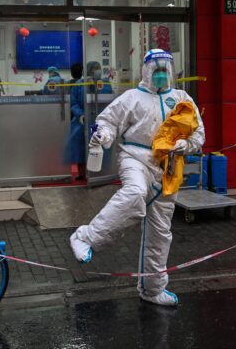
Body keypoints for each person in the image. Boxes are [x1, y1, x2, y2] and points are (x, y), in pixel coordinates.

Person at [69, 49, 205, 306]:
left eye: (166, 69)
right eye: (157, 69)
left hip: (168, 168)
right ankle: (85, 237)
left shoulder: (181, 99)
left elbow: (198, 133)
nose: (162, 73)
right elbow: (107, 123)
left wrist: (185, 146)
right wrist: (103, 136)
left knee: (160, 233)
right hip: (136, 157)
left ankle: (152, 289)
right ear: (146, 71)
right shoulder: (132, 98)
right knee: (134, 194)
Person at [65, 63, 87, 180]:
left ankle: (92, 173)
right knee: (79, 146)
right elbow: (73, 103)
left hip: (89, 120)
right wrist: (81, 115)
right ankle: (83, 173)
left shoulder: (100, 84)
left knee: (91, 145)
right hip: (80, 120)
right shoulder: (79, 85)